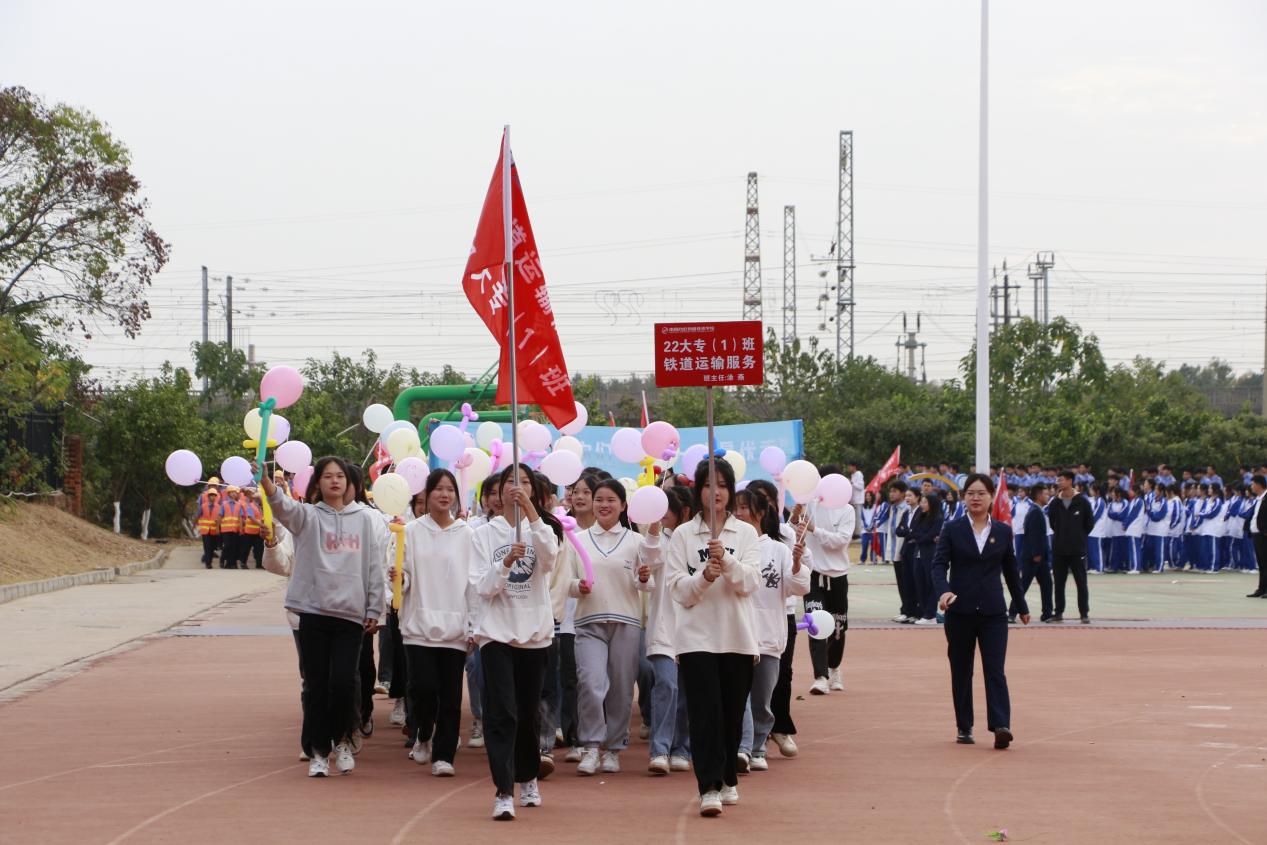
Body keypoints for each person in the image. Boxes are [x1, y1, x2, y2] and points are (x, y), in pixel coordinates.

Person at [261, 456, 386, 778]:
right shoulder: (308, 517)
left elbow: (373, 565)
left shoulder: (363, 520)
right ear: (317, 483)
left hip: (350, 616)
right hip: (314, 611)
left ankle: (343, 740)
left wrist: (374, 607)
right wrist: (265, 481)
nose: (334, 481)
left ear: (348, 483)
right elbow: (281, 505)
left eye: (340, 477)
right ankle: (318, 751)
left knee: (344, 683)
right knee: (316, 685)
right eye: (327, 476)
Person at [665, 458, 760, 817]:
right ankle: (708, 787)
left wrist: (729, 564)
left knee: (732, 715)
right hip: (696, 639)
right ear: (698, 490)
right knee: (705, 715)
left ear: (730, 491)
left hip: (736, 637)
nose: (715, 491)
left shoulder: (746, 534)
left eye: (722, 485)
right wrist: (704, 576)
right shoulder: (683, 536)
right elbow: (679, 590)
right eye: (708, 484)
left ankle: (727, 778)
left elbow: (749, 583)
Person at [470, 464, 561, 821]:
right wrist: (505, 563)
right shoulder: (482, 534)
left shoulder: (544, 529)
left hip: (535, 634)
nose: (516, 487)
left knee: (527, 713)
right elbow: (482, 587)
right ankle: (504, 789)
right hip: (496, 633)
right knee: (502, 712)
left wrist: (533, 515)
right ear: (497, 490)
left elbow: (550, 561)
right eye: (511, 481)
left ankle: (528, 778)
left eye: (524, 482)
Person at [933, 473, 1030, 749]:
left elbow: (1011, 572)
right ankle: (964, 725)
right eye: (971, 493)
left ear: (991, 497)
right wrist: (943, 590)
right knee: (961, 670)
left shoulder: (1002, 531)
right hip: (959, 611)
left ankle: (1001, 725)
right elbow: (938, 565)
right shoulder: (952, 529)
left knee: (995, 669)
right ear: (964, 498)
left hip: (993, 613)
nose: (975, 498)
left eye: (981, 493)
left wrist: (1021, 606)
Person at [570, 479, 660, 776]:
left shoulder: (636, 542)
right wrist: (577, 586)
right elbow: (564, 583)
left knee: (621, 688)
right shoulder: (578, 539)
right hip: (589, 621)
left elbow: (646, 586)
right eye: (599, 499)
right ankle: (591, 746)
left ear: (623, 506)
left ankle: (614, 746)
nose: (603, 505)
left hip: (626, 621)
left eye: (611, 500)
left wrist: (644, 577)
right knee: (592, 684)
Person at [397, 469, 475, 777]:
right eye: (438, 489)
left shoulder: (467, 534)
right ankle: (424, 733)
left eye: (450, 490)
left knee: (452, 696)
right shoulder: (411, 531)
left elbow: (473, 583)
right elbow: (401, 571)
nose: (444, 495)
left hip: (455, 627)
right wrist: (399, 579)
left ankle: (444, 756)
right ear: (426, 495)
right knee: (424, 689)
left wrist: (473, 625)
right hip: (419, 625)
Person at [734, 489, 809, 773]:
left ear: (760, 513)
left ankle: (757, 747)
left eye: (745, 508)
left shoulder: (778, 549)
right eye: (736, 508)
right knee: (739, 696)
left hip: (768, 636)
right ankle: (743, 748)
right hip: (737, 635)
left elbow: (798, 587)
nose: (739, 513)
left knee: (762, 699)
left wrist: (798, 563)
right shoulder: (731, 546)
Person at [792, 463, 855, 694]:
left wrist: (815, 529)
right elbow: (792, 528)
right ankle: (820, 676)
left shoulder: (847, 510)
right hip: (814, 575)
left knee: (838, 629)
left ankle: (834, 667)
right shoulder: (810, 504)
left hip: (838, 577)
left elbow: (840, 541)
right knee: (816, 624)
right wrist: (796, 516)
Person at [645, 485, 693, 774]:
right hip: (664, 625)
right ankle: (660, 748)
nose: (661, 517)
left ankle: (681, 747)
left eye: (666, 511)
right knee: (667, 684)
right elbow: (648, 559)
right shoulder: (657, 540)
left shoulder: (692, 540)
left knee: (686, 690)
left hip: (691, 627)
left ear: (683, 511)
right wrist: (652, 529)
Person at [1047, 470, 1093, 623]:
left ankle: (1084, 614)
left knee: (1081, 582)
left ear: (1069, 481)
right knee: (1059, 583)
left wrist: (1077, 536)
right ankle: (1058, 613)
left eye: (1061, 480)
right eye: (1058, 480)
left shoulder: (1082, 501)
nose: (1058, 483)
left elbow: (1089, 524)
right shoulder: (1055, 503)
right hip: (1059, 549)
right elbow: (1052, 522)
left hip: (1077, 549)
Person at [1010, 484, 1053, 623]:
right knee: (1023, 585)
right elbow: (1034, 535)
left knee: (1047, 583)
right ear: (1039, 496)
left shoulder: (1037, 510)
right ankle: (1011, 613)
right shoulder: (1035, 511)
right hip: (1034, 556)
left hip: (1040, 556)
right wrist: (1036, 553)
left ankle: (1047, 613)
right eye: (1046, 494)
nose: (1048, 497)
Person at [908, 491, 944, 626]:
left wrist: (918, 537)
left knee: (930, 584)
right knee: (919, 583)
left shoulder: (938, 518)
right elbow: (912, 531)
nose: (922, 504)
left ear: (931, 504)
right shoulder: (920, 516)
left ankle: (930, 614)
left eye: (924, 502)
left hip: (930, 554)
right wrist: (919, 536)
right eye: (922, 502)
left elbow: (930, 535)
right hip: (918, 554)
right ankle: (924, 613)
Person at [892, 488, 920, 624]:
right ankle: (907, 611)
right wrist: (908, 531)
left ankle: (916, 612)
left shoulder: (921, 512)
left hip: (916, 550)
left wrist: (907, 531)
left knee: (916, 582)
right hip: (906, 550)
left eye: (910, 495)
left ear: (918, 497)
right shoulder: (906, 513)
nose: (907, 498)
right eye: (906, 495)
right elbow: (898, 530)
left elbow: (917, 531)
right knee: (906, 582)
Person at [1248, 475, 1267, 597]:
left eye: (1252, 484)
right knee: (1261, 563)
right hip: (1257, 534)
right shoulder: (1259, 498)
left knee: (1266, 563)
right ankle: (1262, 589)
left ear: (1259, 484)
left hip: (1264, 534)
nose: (1251, 486)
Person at [238, 487, 265, 569]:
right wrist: (262, 525)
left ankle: (259, 564)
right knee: (246, 548)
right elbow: (251, 518)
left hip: (258, 532)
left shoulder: (260, 507)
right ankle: (243, 563)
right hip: (249, 532)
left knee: (259, 549)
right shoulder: (250, 506)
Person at [196, 486, 221, 568]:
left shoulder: (218, 507)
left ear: (216, 497)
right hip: (205, 530)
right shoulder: (203, 506)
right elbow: (198, 516)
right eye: (211, 495)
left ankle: (208, 560)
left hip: (214, 531)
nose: (212, 497)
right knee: (207, 547)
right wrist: (195, 526)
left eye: (214, 495)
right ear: (208, 496)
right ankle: (208, 563)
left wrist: (218, 529)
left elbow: (220, 519)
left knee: (212, 547)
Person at [219, 486, 242, 569]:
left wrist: (241, 529)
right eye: (231, 492)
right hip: (225, 529)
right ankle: (222, 559)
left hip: (235, 529)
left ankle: (230, 564)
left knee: (233, 547)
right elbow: (220, 516)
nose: (233, 494)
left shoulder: (239, 505)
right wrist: (218, 528)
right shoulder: (224, 504)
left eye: (235, 492)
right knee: (227, 545)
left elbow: (240, 517)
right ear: (228, 494)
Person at [859, 490, 878, 564]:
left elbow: (875, 517)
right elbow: (862, 518)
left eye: (869, 496)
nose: (868, 497)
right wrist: (866, 527)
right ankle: (862, 560)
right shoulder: (863, 507)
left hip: (873, 530)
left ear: (872, 497)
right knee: (864, 545)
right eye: (866, 496)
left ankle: (873, 559)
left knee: (873, 546)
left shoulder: (875, 506)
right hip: (864, 530)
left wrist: (871, 527)